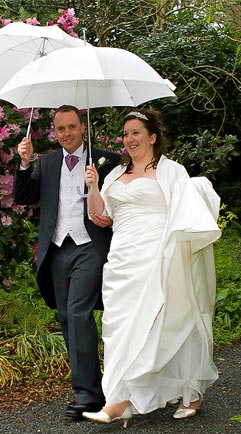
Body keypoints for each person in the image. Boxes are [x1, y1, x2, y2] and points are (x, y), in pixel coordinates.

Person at [81, 108, 222, 425]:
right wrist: (92, 186)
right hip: (122, 258)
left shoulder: (171, 171)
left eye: (136, 133)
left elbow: (187, 208)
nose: (129, 139)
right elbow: (101, 216)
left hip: (159, 254)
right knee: (121, 326)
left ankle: (159, 395)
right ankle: (122, 397)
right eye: (126, 133)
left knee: (166, 321)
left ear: (152, 137)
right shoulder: (115, 174)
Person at [13, 105, 121, 419]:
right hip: (57, 248)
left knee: (77, 312)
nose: (67, 134)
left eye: (72, 127)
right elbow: (23, 196)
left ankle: (87, 395)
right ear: (55, 132)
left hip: (90, 247)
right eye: (61, 129)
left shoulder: (106, 160)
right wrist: (23, 163)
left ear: (81, 128)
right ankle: (92, 390)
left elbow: (119, 204)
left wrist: (96, 185)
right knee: (64, 316)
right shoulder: (45, 162)